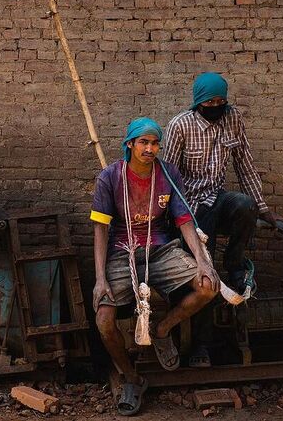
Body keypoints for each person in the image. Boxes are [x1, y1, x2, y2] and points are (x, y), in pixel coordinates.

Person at [91, 117, 219, 416]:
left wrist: (202, 261)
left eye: (154, 143)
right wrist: (100, 278)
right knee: (103, 321)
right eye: (143, 143)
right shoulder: (110, 177)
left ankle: (162, 330)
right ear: (130, 145)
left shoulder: (167, 174)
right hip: (122, 253)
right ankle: (132, 379)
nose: (150, 149)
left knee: (208, 287)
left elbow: (184, 219)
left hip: (161, 251)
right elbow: (100, 230)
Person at [163, 71, 279, 367]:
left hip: (216, 196)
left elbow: (245, 163)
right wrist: (174, 218)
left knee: (245, 205)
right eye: (210, 101)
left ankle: (236, 265)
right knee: (205, 273)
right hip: (190, 208)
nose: (216, 105)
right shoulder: (181, 126)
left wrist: (263, 207)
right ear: (198, 102)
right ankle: (201, 345)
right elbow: (170, 177)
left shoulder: (232, 119)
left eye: (221, 100)